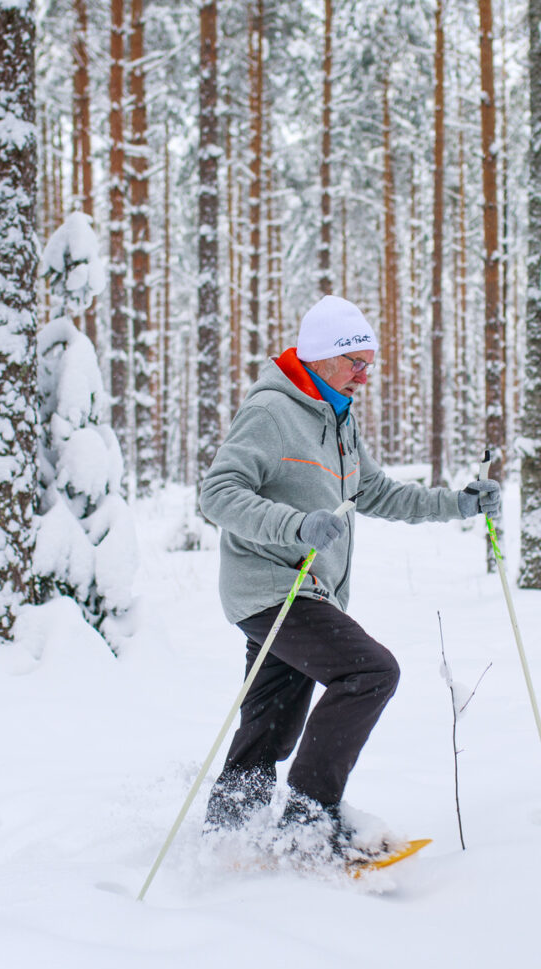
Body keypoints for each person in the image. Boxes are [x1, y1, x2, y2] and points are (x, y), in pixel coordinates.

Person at [197, 294, 501, 861]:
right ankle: (309, 821)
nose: (366, 373)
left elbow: (376, 492)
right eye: (356, 361)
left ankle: (229, 833)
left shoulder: (338, 418)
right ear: (321, 357)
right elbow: (217, 494)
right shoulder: (272, 412)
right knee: (370, 670)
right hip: (271, 587)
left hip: (308, 591)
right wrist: (296, 525)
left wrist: (458, 505)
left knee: (272, 726)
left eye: (370, 362)